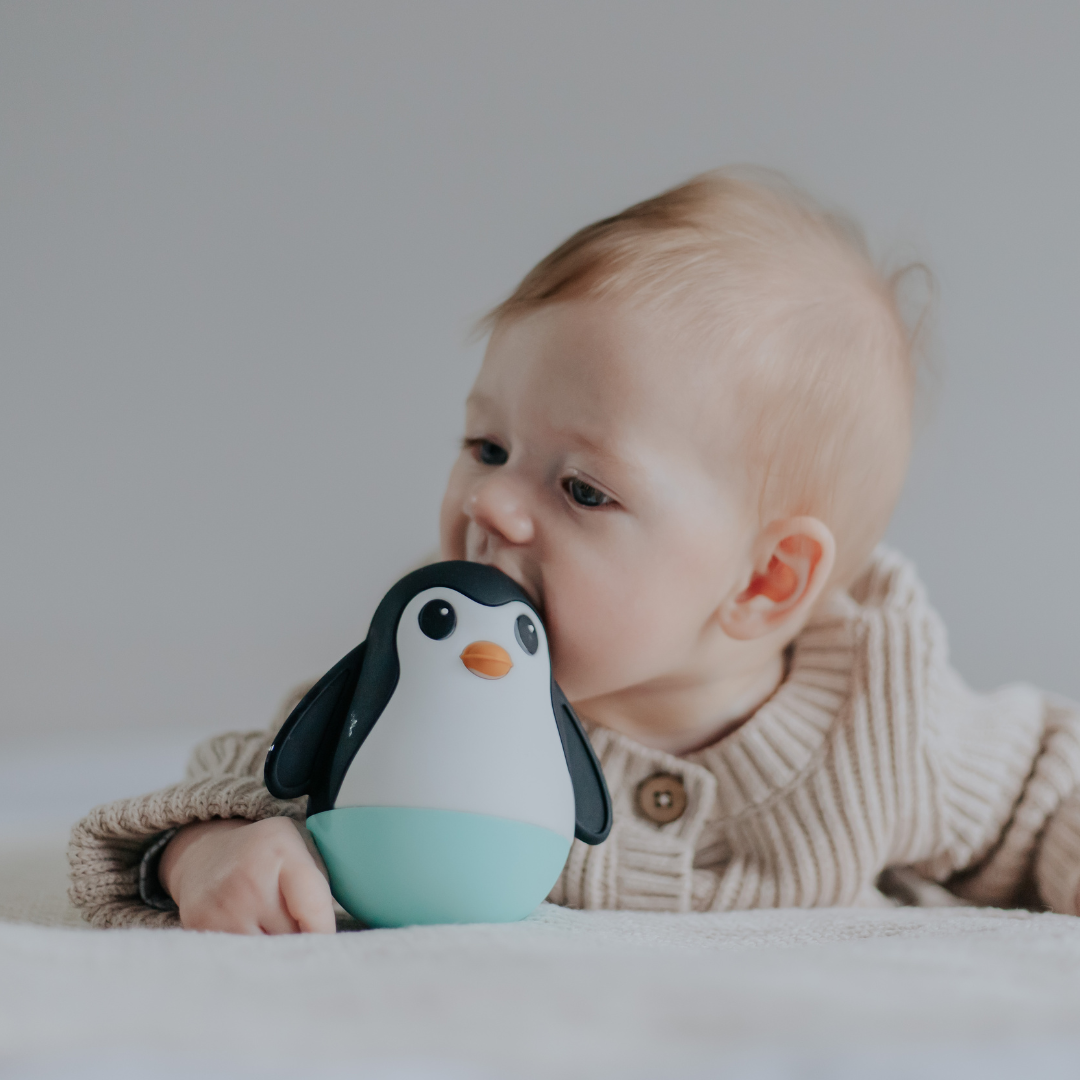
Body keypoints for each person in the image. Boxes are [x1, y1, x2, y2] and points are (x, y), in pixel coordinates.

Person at [68, 169, 1080, 932]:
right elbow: (241, 776)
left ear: (765, 580)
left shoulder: (883, 720)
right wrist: (205, 855)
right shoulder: (426, 688)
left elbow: (1044, 794)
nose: (493, 505)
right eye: (486, 446)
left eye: (584, 488)